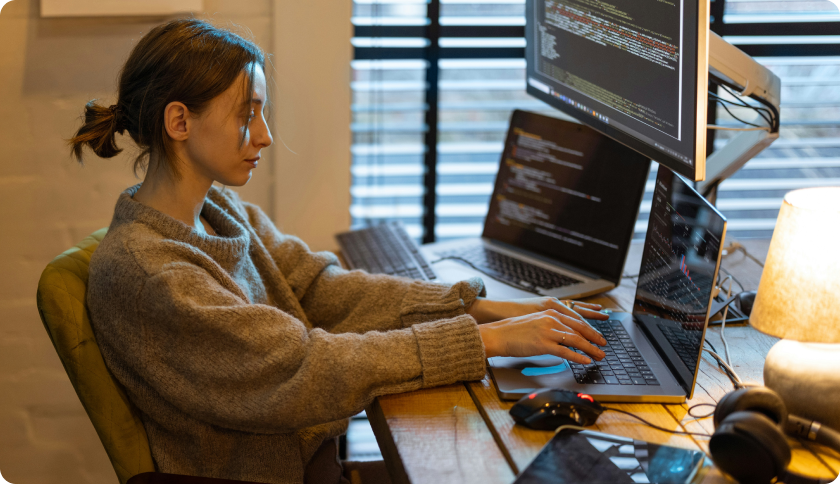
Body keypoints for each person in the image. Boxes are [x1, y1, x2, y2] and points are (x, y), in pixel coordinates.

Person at [69, 18, 608, 484]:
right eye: (247, 115)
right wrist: (485, 341)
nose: (265, 136)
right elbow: (303, 369)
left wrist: (485, 309)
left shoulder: (218, 211)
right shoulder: (151, 275)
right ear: (180, 121)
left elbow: (321, 289)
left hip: (313, 461)